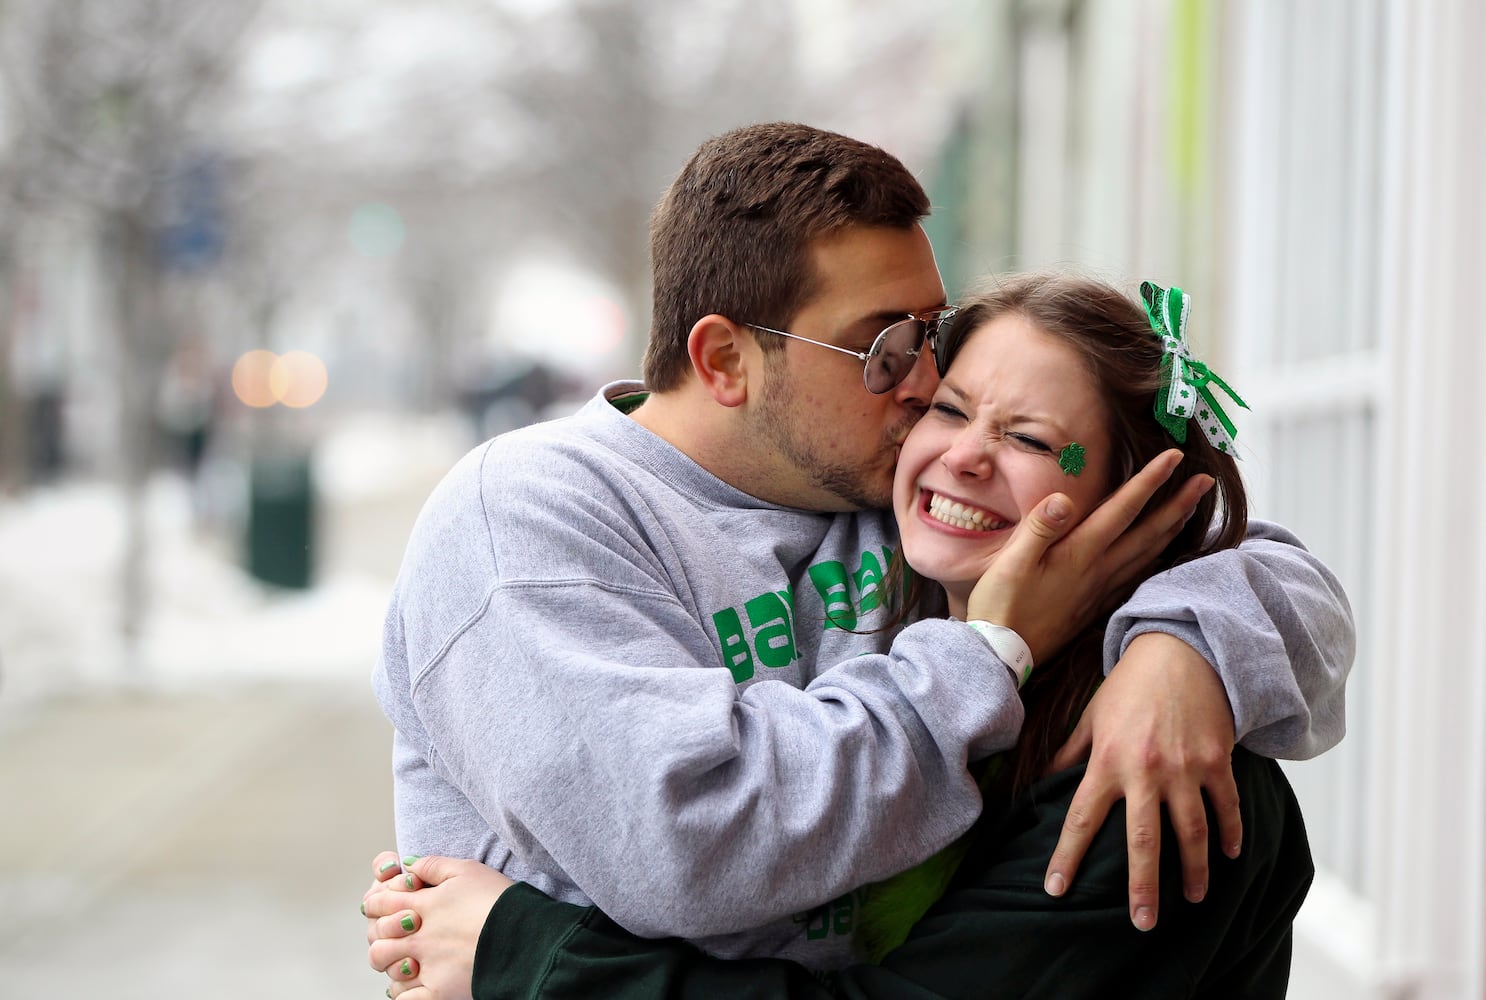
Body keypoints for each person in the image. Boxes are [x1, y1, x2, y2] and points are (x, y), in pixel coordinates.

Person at [370, 122, 1350, 977]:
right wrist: (983, 659)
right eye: (885, 347)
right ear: (724, 361)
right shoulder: (529, 522)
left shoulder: (881, 483)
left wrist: (1179, 648)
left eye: (933, 333)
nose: (925, 384)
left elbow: (1230, 550)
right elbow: (688, 850)